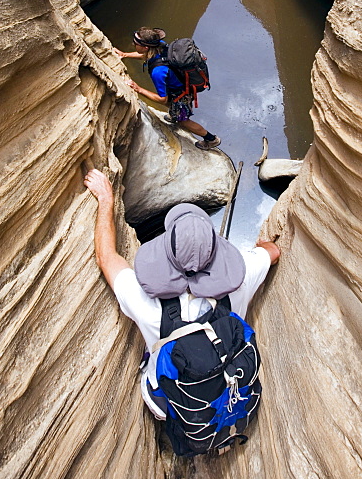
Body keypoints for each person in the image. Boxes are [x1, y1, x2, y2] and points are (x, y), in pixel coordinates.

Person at [83, 167, 280, 422]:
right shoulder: (241, 282)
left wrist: (106, 200)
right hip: (226, 384)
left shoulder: (145, 303)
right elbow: (273, 252)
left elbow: (106, 257)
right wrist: (258, 249)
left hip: (171, 407)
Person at [113, 27, 220, 150]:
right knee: (174, 110)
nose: (133, 44)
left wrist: (139, 89)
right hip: (181, 87)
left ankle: (211, 139)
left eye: (136, 43)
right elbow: (145, 55)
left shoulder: (157, 72)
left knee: (183, 121)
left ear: (145, 47)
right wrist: (124, 54)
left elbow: (162, 99)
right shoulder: (161, 46)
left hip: (181, 95)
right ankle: (174, 115)